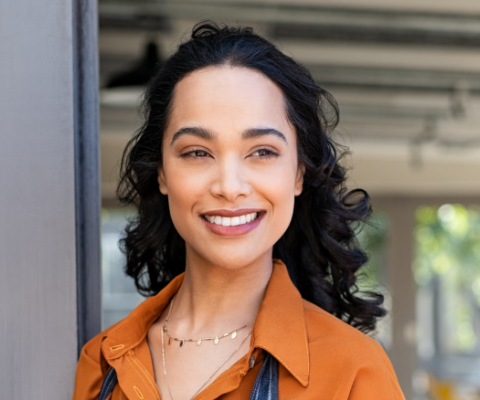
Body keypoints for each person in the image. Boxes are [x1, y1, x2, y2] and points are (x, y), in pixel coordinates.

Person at [71, 22, 404, 400]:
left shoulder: (351, 371)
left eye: (262, 152)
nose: (229, 187)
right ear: (162, 172)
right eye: (197, 152)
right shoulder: (102, 364)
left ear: (298, 173)